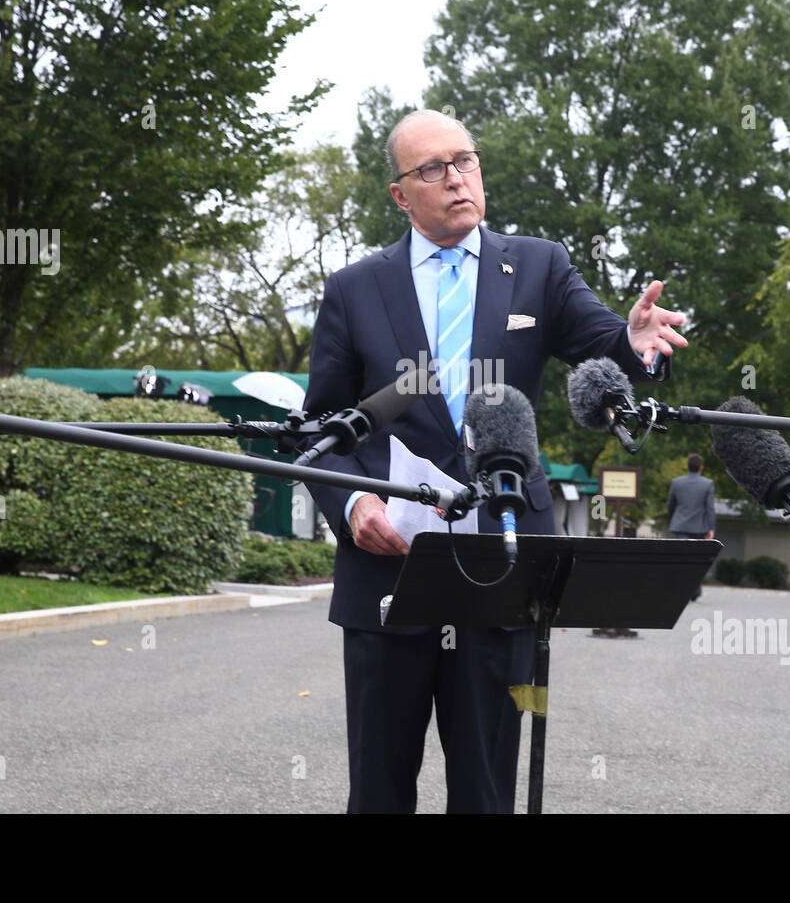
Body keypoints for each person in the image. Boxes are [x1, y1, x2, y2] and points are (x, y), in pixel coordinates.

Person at [300, 109, 688, 813]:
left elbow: (606, 342)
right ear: (400, 194)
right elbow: (319, 430)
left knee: (486, 793)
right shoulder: (355, 289)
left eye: (465, 161)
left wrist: (634, 341)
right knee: (378, 793)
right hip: (388, 569)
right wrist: (354, 503)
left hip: (505, 564)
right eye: (432, 169)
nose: (456, 179)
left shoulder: (539, 265)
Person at [666, 453, 716, 600]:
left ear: (687, 467)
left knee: (682, 559)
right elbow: (710, 508)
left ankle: (683, 589)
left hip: (680, 525)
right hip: (700, 527)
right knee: (696, 559)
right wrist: (711, 528)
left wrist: (673, 518)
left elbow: (670, 504)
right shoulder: (708, 484)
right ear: (701, 467)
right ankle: (695, 590)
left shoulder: (676, 482)